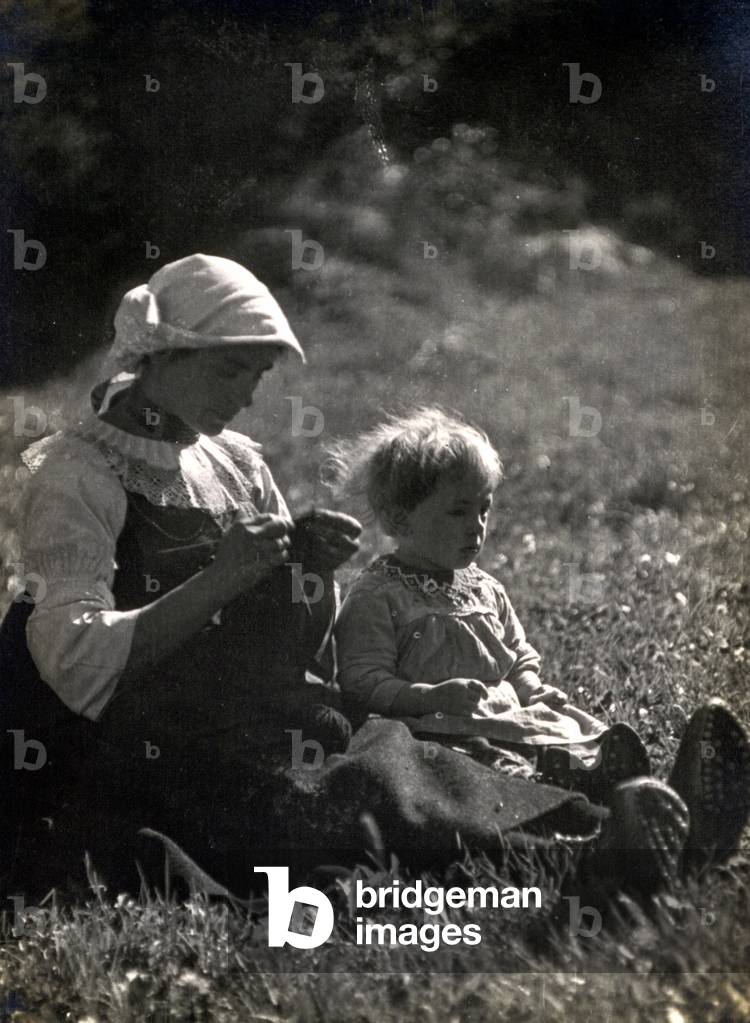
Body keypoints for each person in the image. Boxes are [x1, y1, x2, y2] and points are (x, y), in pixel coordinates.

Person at [0, 257, 744, 906]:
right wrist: (224, 578)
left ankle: (628, 823)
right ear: (160, 354)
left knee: (399, 759)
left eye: (256, 377)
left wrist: (307, 574)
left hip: (247, 713)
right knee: (339, 798)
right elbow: (75, 664)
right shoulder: (79, 474)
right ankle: (601, 858)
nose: (246, 397)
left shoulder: (232, 462)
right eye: (231, 370)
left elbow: (288, 643)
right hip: (142, 745)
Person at [331, 408, 750, 866]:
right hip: (444, 734)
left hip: (512, 718)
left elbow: (516, 654)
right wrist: (428, 695)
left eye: (484, 509)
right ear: (400, 519)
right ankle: (617, 819)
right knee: (501, 772)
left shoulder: (483, 588)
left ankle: (632, 789)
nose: (476, 525)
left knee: (566, 739)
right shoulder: (378, 595)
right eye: (458, 511)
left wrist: (531, 687)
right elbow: (361, 682)